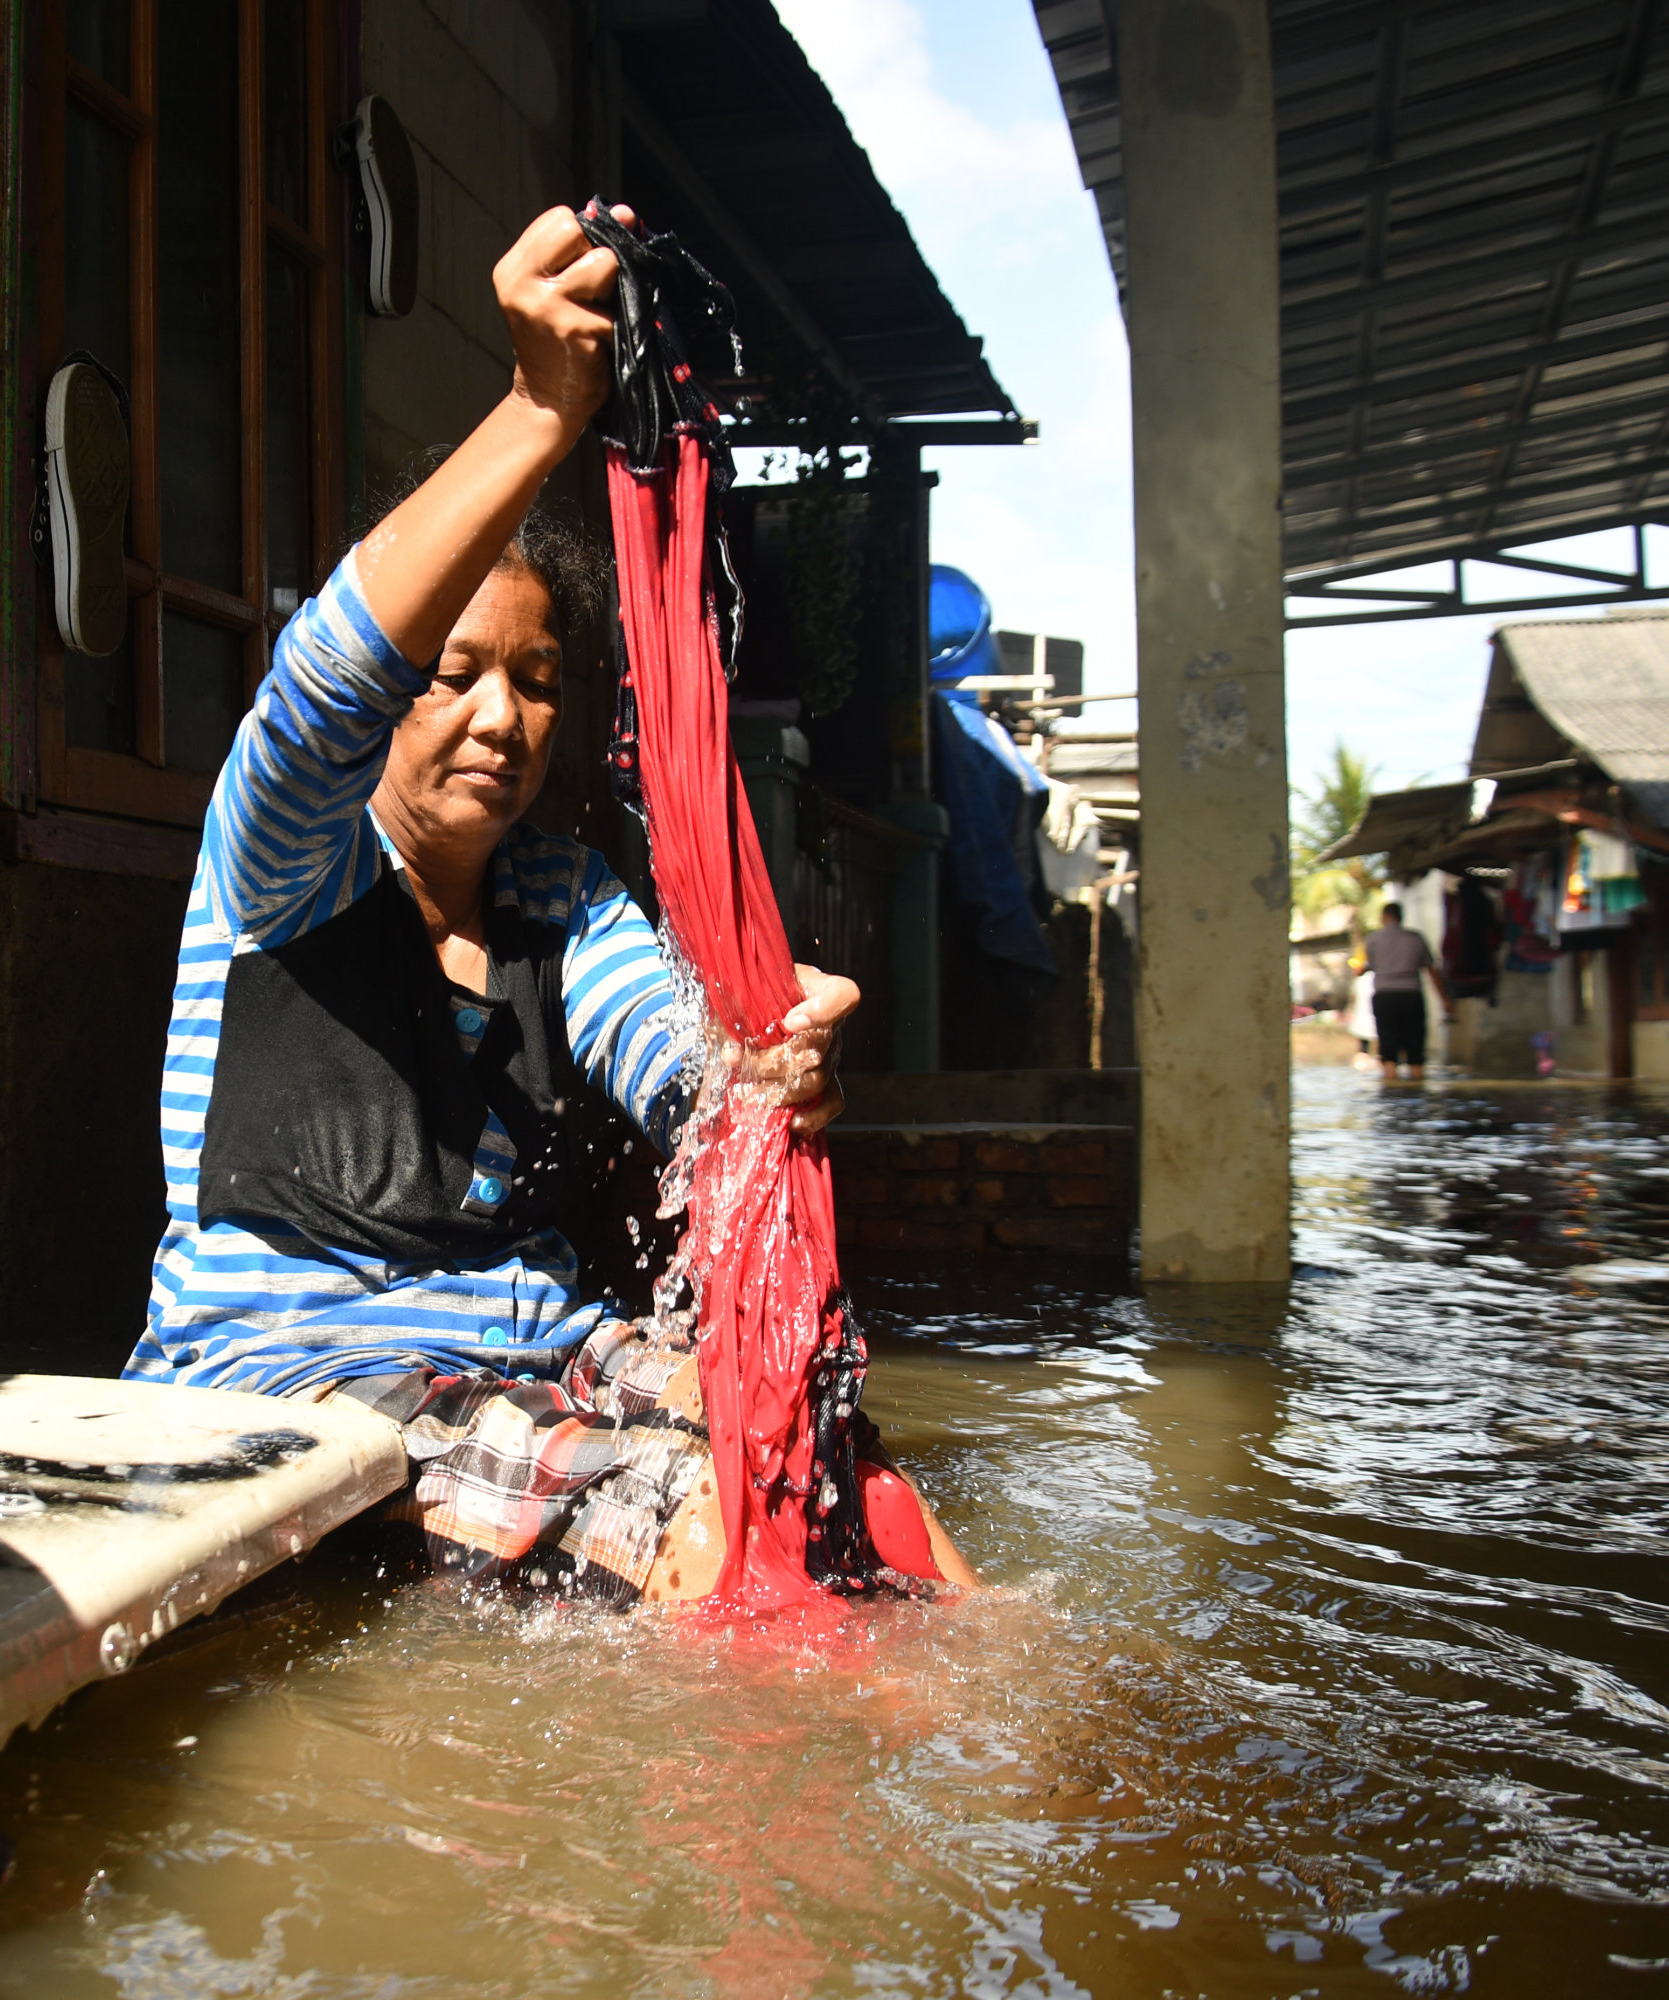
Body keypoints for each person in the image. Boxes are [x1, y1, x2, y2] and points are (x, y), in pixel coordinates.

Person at [119, 207, 975, 1600]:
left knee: (836, 1474)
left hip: (541, 1339)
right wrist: (538, 408)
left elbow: (671, 1055)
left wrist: (763, 1062)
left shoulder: (557, 895)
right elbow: (320, 682)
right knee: (704, 1520)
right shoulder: (281, 859)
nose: (501, 721)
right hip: (295, 1365)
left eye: (537, 682)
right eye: (453, 675)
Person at [1361, 901, 1449, 1081]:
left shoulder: (1373, 939)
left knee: (1388, 1042)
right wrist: (1445, 999)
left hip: (1384, 996)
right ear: (1401, 917)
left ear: (1384, 917)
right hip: (1411, 995)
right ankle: (1417, 1079)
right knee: (1415, 1044)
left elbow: (1368, 965)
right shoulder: (1416, 938)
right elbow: (1431, 970)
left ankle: (1390, 1080)